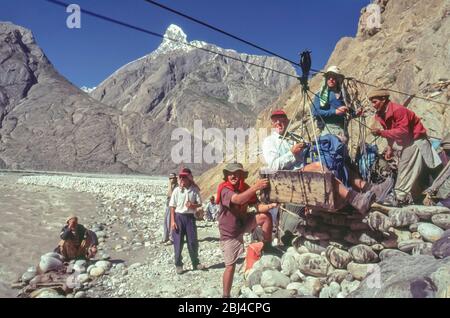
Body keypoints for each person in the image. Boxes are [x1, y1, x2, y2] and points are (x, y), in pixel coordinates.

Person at [262, 109, 392, 214]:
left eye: (282, 119)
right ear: (272, 124)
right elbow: (273, 166)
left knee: (338, 162)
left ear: (287, 121)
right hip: (290, 177)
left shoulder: (295, 137)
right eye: (275, 120)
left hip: (304, 170)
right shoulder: (270, 142)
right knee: (319, 167)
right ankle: (355, 199)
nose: (278, 122)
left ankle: (371, 188)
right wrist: (291, 153)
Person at [369, 88, 442, 204]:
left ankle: (398, 197)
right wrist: (389, 148)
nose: (373, 105)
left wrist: (381, 133)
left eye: (375, 102)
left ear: (383, 99)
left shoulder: (399, 110)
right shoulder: (381, 114)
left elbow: (403, 131)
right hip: (406, 143)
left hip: (415, 141)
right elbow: (390, 131)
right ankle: (419, 199)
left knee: (405, 168)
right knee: (416, 174)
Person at [216, 162, 278, 298]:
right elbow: (237, 200)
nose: (233, 176)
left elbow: (258, 207)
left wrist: (272, 205)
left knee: (265, 217)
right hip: (230, 232)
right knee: (230, 265)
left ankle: (267, 246)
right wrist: (255, 187)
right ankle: (225, 295)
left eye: (237, 173)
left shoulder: (245, 188)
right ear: (226, 176)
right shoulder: (225, 190)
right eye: (230, 173)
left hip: (243, 223)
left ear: (241, 176)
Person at [169, 168, 206, 274]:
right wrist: (172, 221)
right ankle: (178, 264)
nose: (181, 179)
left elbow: (199, 204)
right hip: (179, 217)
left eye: (184, 177)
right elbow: (172, 206)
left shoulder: (194, 190)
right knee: (178, 243)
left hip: (190, 218)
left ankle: (195, 263)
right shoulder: (176, 190)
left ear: (189, 178)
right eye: (180, 177)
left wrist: (192, 205)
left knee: (192, 242)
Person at [311, 66, 354, 143]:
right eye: (329, 77)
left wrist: (356, 114)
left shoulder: (344, 96)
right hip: (328, 129)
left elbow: (348, 114)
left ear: (337, 80)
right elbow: (315, 112)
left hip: (343, 130)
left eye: (334, 77)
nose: (331, 79)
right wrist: (335, 112)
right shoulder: (320, 95)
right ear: (326, 79)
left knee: (341, 154)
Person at [161, 173, 178, 245]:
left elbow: (171, 194)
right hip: (168, 205)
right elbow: (168, 195)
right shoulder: (172, 186)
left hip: (173, 206)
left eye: (173, 178)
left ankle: (171, 238)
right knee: (165, 221)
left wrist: (170, 186)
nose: (171, 179)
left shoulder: (176, 187)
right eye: (170, 178)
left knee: (170, 222)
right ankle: (165, 237)